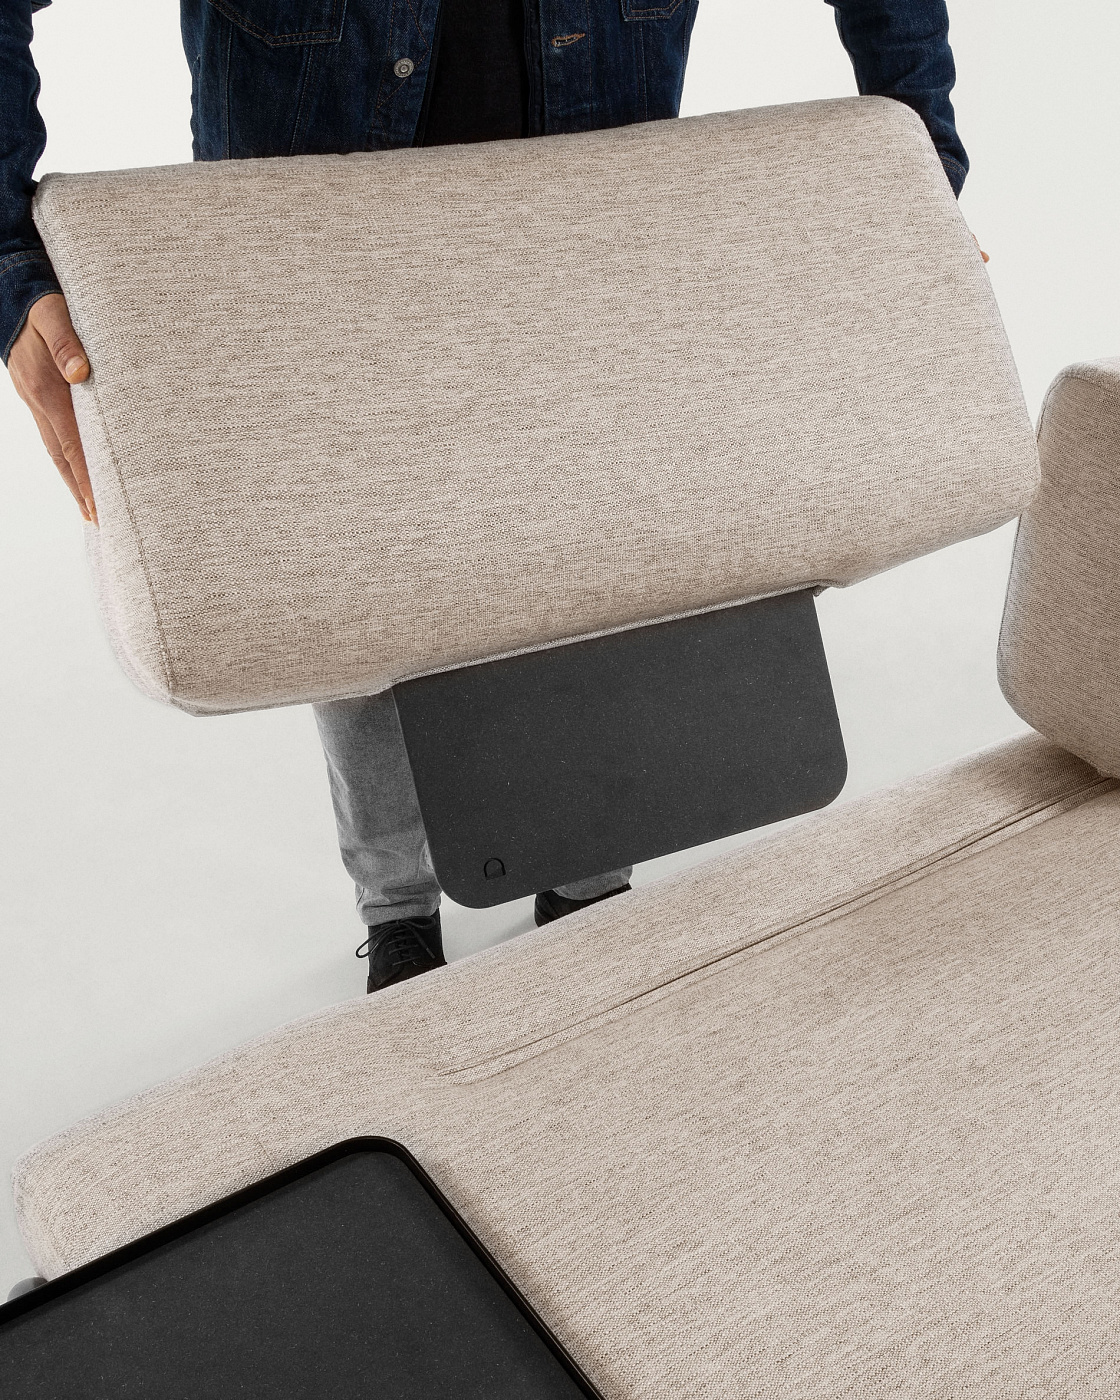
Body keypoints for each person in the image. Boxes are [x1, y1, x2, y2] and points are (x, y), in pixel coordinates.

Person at [1, 0, 975, 992]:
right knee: (353, 566)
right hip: (309, 230)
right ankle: (399, 910)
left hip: (588, 198)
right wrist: (10, 261)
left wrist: (917, 179)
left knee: (608, 538)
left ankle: (589, 881)